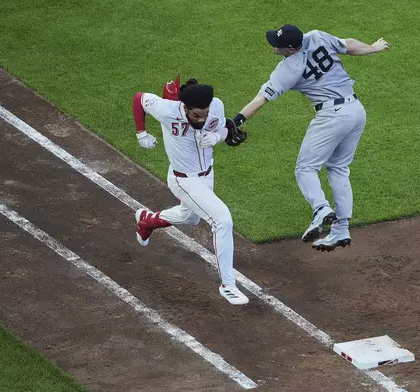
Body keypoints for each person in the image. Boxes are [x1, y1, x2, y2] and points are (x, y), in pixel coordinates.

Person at [231, 24, 390, 251]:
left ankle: (321, 209)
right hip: (356, 110)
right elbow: (349, 46)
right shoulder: (317, 36)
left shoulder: (287, 69)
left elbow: (260, 100)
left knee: (305, 168)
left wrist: (235, 121)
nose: (273, 48)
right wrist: (374, 47)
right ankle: (341, 229)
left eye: (278, 46)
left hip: (332, 116)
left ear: (292, 49)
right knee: (338, 168)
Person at [131, 75, 248, 305]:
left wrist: (217, 136)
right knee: (222, 219)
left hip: (207, 175)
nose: (201, 119)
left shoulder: (215, 105)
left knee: (190, 217)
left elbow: (223, 126)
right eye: (196, 115)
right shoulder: (167, 109)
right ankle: (228, 285)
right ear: (184, 107)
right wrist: (141, 132)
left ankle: (147, 221)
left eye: (204, 114)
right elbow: (139, 99)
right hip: (183, 180)